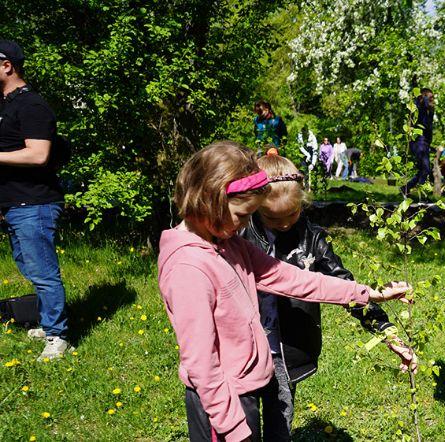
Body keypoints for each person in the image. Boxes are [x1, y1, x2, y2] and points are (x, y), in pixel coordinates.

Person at [158, 140, 412, 441]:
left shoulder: (229, 245)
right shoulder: (189, 268)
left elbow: (293, 279)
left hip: (245, 391)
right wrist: (234, 428)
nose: (245, 223)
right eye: (242, 215)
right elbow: (201, 363)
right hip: (223, 408)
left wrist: (366, 293)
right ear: (210, 199)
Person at [241, 151, 416, 439]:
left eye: (292, 214)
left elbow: (343, 284)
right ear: (254, 207)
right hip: (245, 347)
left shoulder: (312, 238)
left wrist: (386, 331)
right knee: (243, 425)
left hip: (286, 350)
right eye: (273, 217)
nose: (285, 224)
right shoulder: (240, 235)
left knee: (280, 418)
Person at [0, 40, 72, 361]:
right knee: (30, 265)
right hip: (15, 204)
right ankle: (47, 322)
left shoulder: (32, 105)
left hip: (36, 204)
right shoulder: (6, 106)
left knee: (43, 270)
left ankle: (58, 336)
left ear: (7, 65)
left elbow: (39, 153)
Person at [402, 88, 434, 196]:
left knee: (423, 170)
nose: (432, 100)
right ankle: (421, 195)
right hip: (418, 142)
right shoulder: (420, 107)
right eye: (430, 97)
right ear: (424, 97)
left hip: (425, 143)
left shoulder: (429, 110)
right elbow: (417, 101)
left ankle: (406, 188)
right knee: (426, 169)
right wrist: (423, 97)